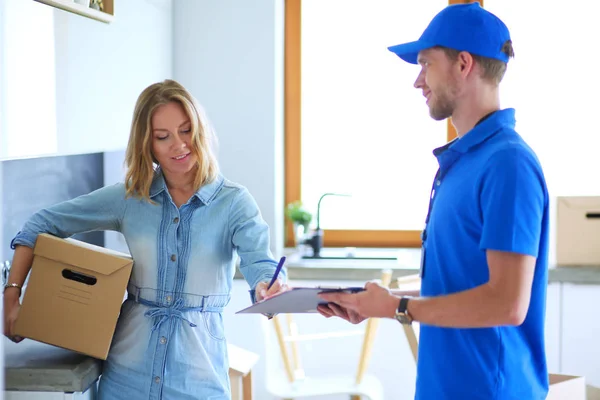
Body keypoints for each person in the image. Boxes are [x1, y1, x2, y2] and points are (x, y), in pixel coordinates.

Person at [318, 3, 550, 399]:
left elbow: (507, 303)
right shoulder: (463, 162)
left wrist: (399, 307)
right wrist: (377, 304)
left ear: (463, 64)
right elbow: (461, 287)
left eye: (426, 64)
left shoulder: (507, 163)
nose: (417, 81)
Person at [3, 79, 287, 399]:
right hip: (125, 377)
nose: (178, 145)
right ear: (146, 144)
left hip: (198, 381)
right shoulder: (130, 198)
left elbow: (260, 261)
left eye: (185, 130)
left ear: (200, 130)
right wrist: (12, 297)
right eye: (162, 137)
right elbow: (40, 225)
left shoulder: (234, 203)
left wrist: (268, 286)